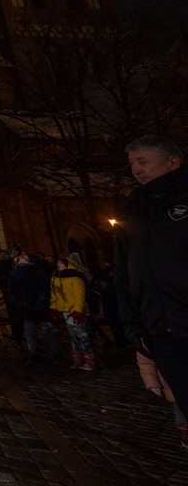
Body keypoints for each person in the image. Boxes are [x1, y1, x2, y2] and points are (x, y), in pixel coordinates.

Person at [115, 134, 188, 449]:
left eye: (143, 161)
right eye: (132, 163)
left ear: (173, 161)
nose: (135, 169)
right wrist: (133, 325)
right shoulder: (134, 208)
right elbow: (123, 272)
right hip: (161, 330)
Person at [7, 251, 59, 365]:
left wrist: (41, 302)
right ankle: (33, 354)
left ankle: (57, 353)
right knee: (29, 332)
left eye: (25, 255)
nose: (22, 256)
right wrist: (18, 302)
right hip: (26, 307)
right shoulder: (14, 274)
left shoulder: (37, 271)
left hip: (39, 307)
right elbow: (12, 291)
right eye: (22, 255)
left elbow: (44, 289)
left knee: (48, 330)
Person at [50, 255, 95, 370]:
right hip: (65, 311)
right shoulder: (56, 279)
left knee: (83, 335)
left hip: (76, 311)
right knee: (73, 336)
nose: (58, 264)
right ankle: (78, 359)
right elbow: (54, 295)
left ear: (67, 265)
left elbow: (79, 296)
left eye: (60, 262)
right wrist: (54, 308)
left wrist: (78, 310)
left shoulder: (76, 279)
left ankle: (90, 360)